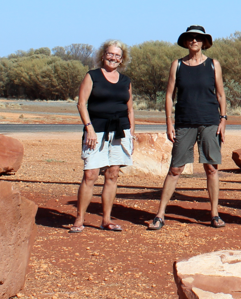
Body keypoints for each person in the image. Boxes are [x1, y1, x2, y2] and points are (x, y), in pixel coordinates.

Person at [148, 25, 227, 230]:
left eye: (198, 38)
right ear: (185, 41)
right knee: (175, 168)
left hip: (209, 121)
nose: (194, 41)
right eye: (190, 38)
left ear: (204, 42)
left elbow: (220, 94)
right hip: (184, 122)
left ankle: (215, 214)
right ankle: (160, 214)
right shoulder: (177, 65)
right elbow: (169, 95)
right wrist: (169, 122)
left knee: (211, 168)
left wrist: (223, 120)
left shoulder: (213, 65)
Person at [71, 40, 135, 233]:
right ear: (103, 55)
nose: (113, 58)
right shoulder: (92, 76)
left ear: (122, 59)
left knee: (112, 174)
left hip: (120, 131)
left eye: (117, 55)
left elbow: (130, 109)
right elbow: (81, 104)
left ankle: (106, 220)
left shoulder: (125, 81)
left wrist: (131, 134)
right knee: (90, 174)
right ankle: (79, 219)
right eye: (110, 54)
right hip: (96, 130)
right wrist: (89, 128)